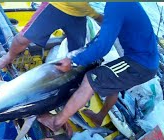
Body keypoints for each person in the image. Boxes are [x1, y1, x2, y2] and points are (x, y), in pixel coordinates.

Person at [37, 2, 159, 133]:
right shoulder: (127, 4)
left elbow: (103, 46)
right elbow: (104, 35)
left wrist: (73, 61)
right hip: (146, 62)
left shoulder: (116, 5)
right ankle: (99, 117)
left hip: (140, 63)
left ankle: (56, 122)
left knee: (91, 79)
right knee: (115, 83)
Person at [0, 2, 103, 71]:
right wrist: (96, 16)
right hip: (56, 6)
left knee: (77, 50)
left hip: (79, 15)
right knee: (22, 40)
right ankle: (8, 57)